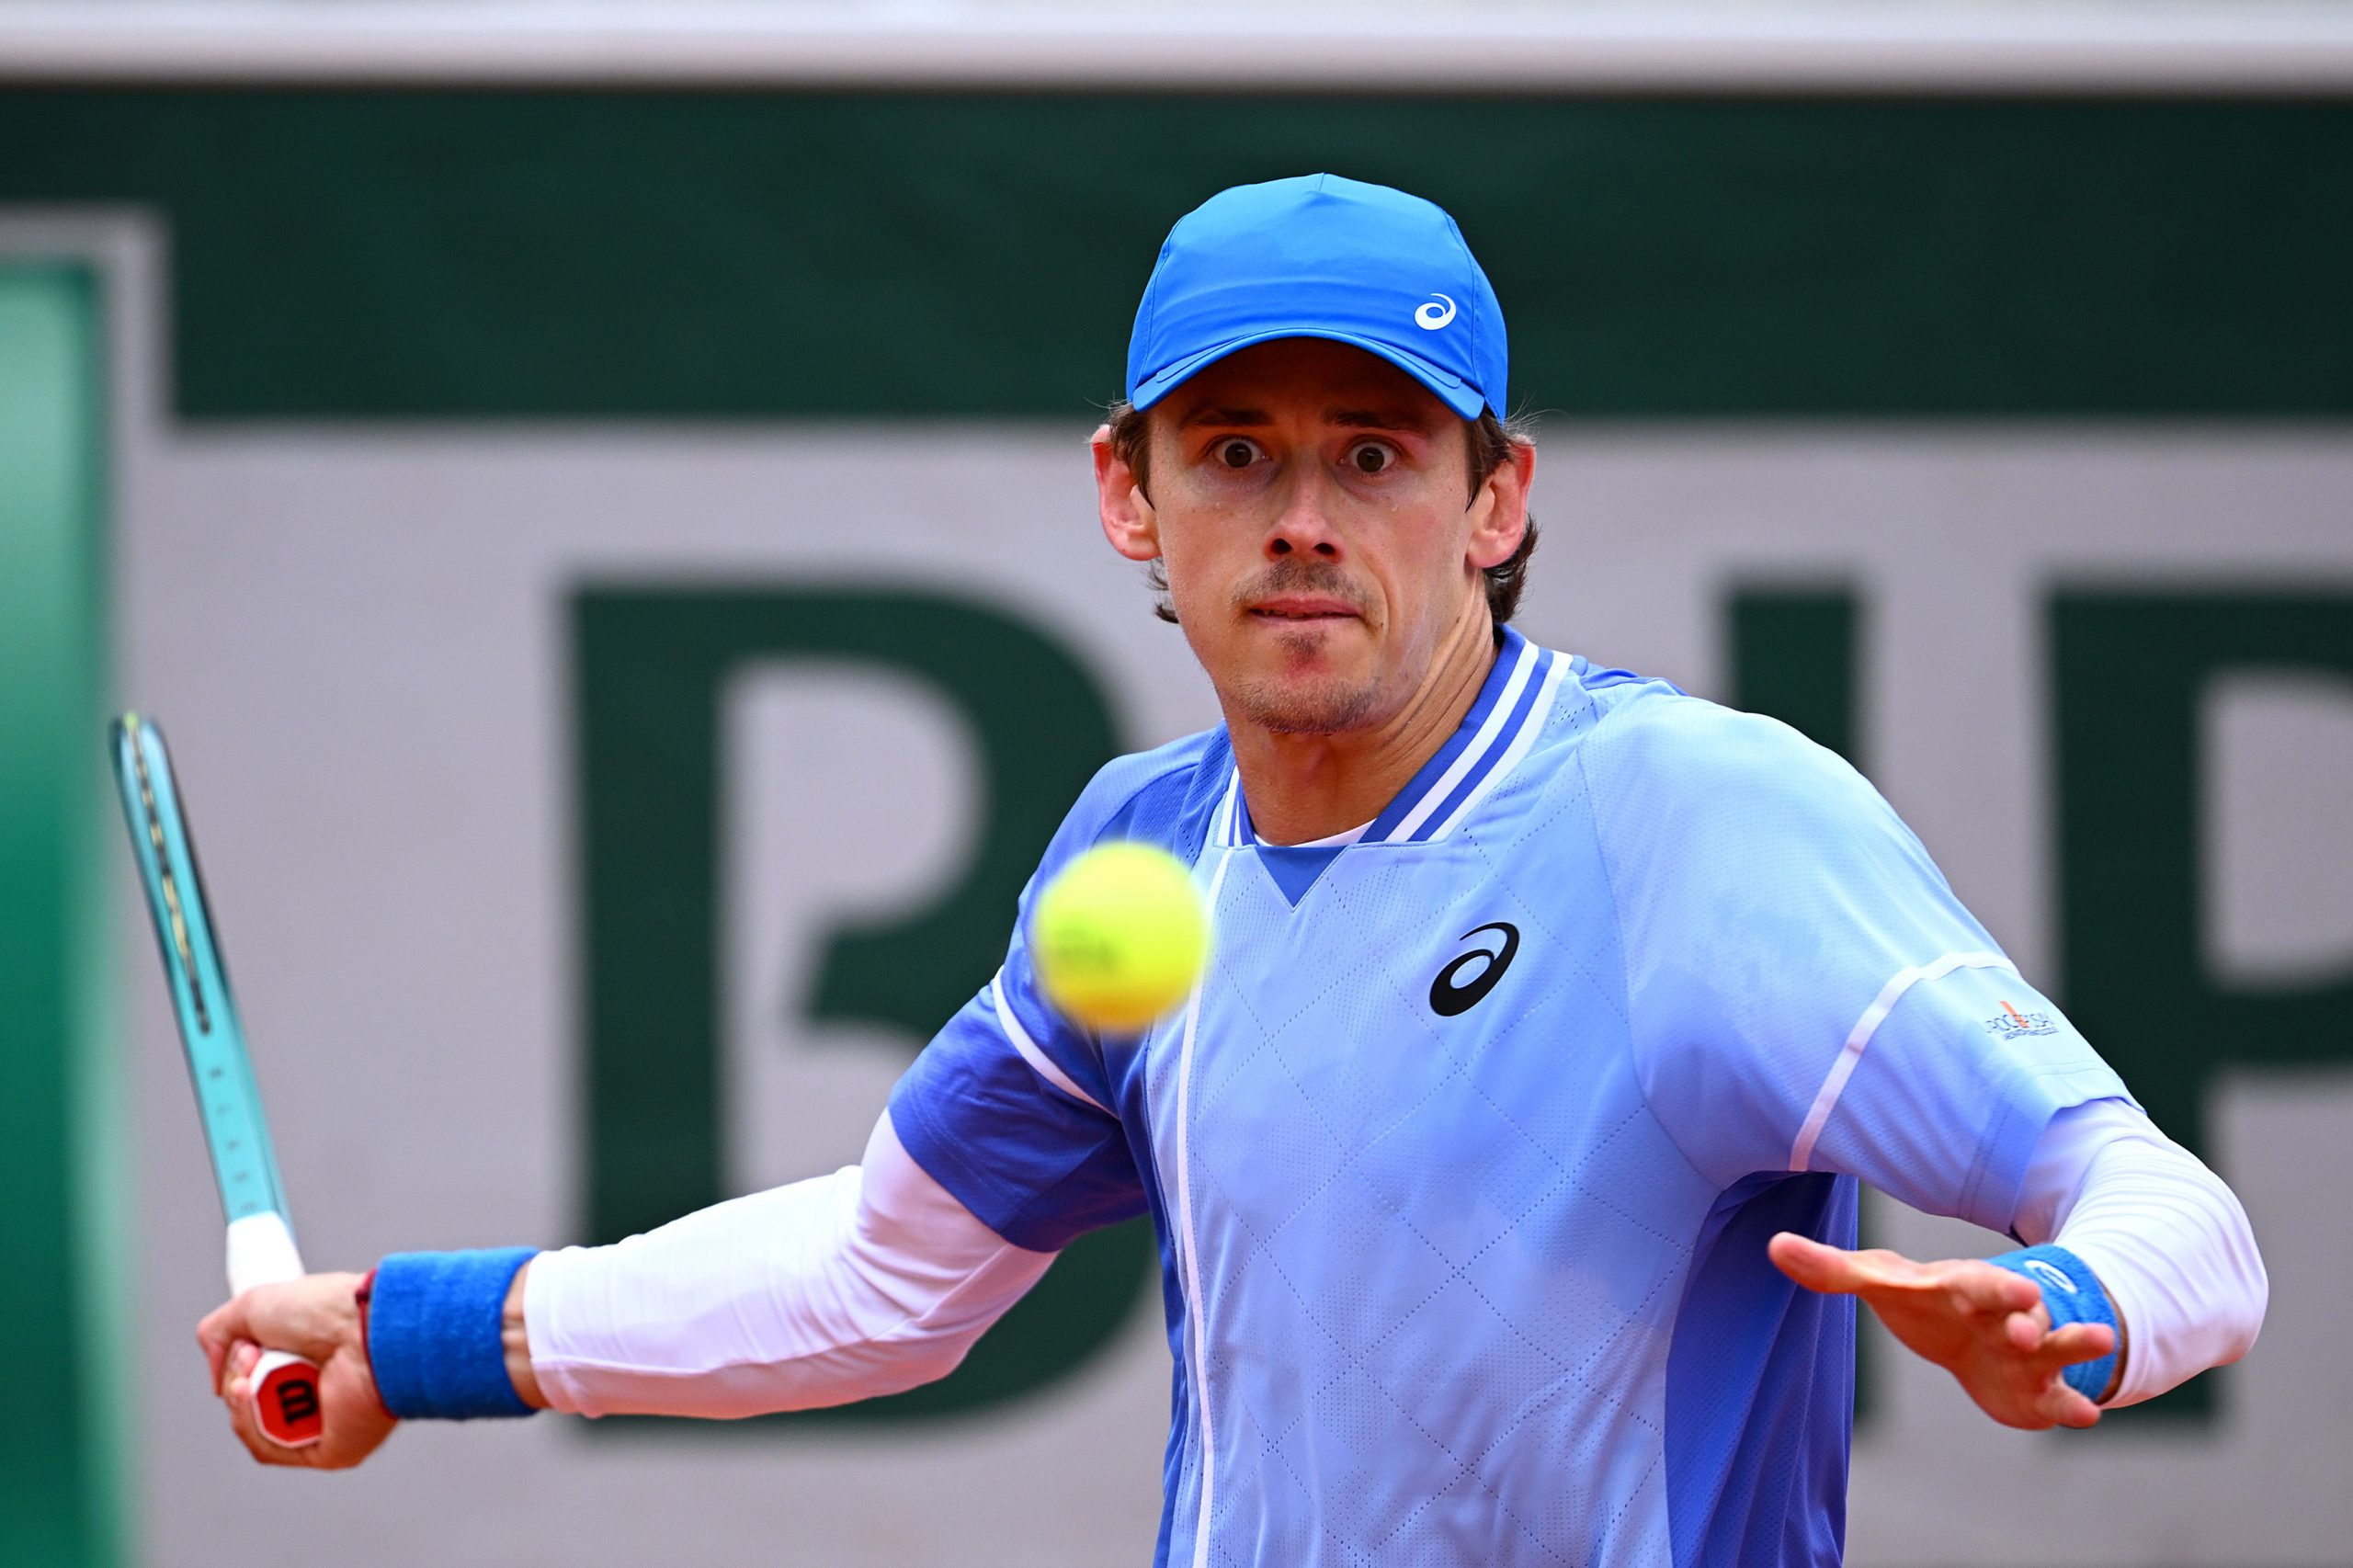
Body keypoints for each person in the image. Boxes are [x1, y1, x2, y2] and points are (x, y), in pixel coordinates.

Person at [200, 174, 2267, 1565]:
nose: (1301, 517)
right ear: (1130, 493)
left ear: (1491, 498)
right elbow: (882, 1277)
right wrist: (415, 1333)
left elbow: (2179, 1212)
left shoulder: (1699, 821)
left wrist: (2076, 1301)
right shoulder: (1138, 854)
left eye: (1373, 454)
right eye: (1236, 451)